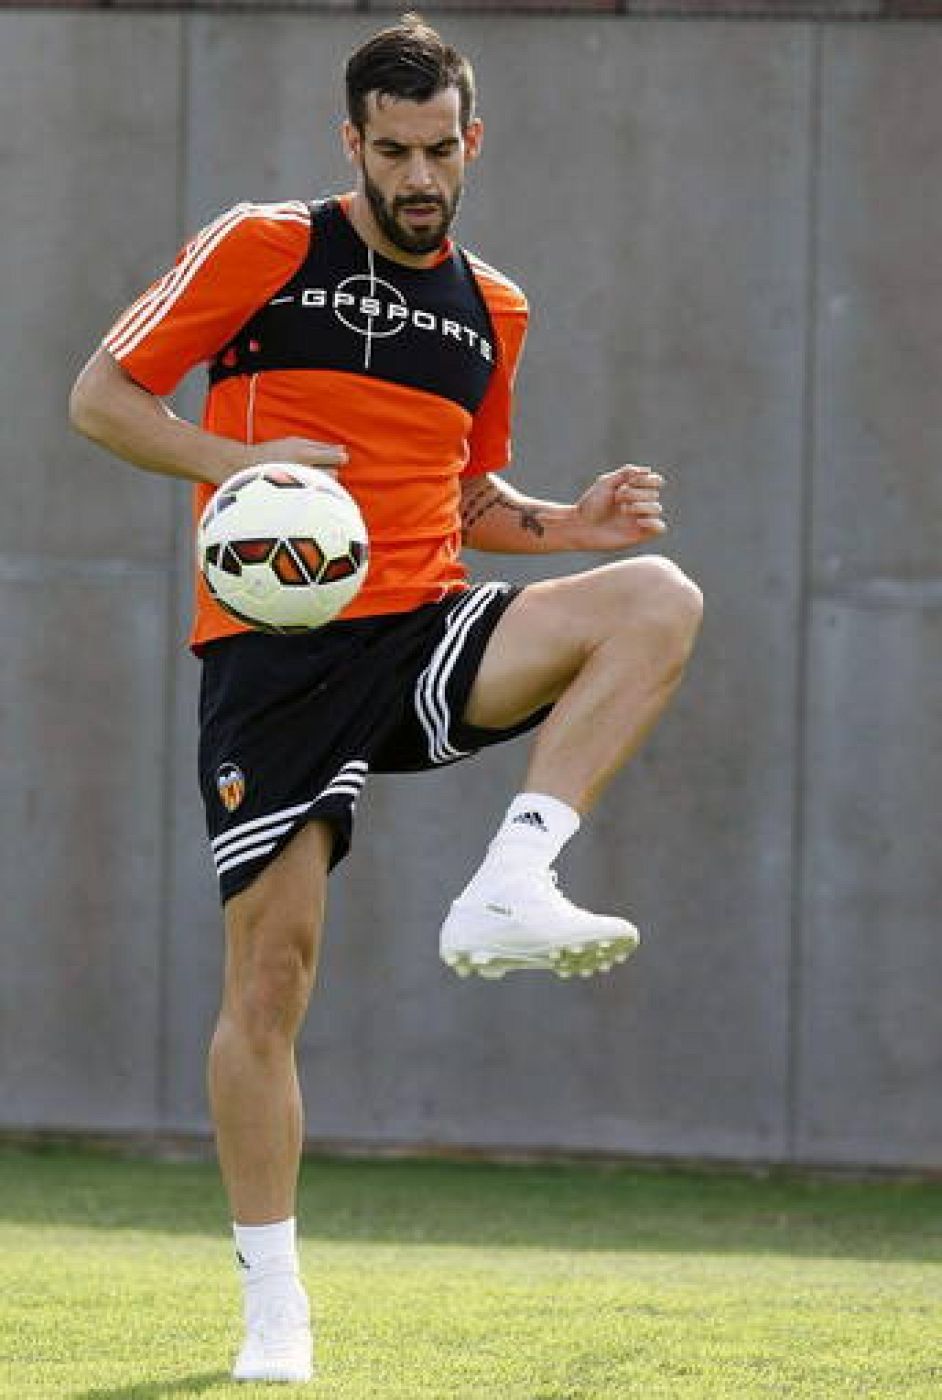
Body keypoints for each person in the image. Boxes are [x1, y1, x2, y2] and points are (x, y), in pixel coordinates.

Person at [69, 12, 702, 1385]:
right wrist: (231, 467)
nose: (419, 176)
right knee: (272, 979)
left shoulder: (496, 306)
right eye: (393, 151)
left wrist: (570, 526)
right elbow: (102, 398)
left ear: (472, 143)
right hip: (275, 651)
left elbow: (467, 499)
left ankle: (513, 882)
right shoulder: (263, 245)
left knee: (656, 596)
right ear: (350, 141)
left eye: (439, 150)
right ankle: (274, 1308)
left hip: (422, 630)